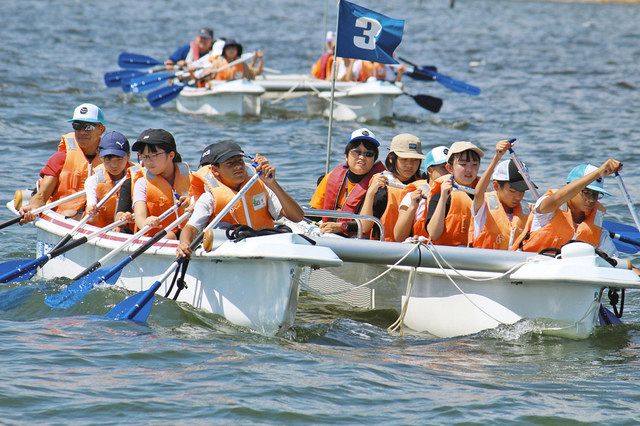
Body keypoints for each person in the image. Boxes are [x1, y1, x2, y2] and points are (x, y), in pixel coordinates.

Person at [176, 141, 304, 258]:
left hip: (265, 249)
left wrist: (272, 183)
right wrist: (184, 243)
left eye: (240, 161)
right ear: (215, 170)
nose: (238, 167)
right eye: (230, 164)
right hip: (232, 253)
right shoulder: (209, 198)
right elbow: (190, 228)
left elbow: (297, 217)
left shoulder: (261, 187)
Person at [512, 160, 622, 255]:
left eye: (596, 194)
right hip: (530, 264)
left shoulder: (597, 229)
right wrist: (598, 172)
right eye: (586, 192)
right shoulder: (549, 209)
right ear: (569, 188)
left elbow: (615, 261)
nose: (592, 199)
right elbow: (557, 199)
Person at [20, 103, 106, 223]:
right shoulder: (60, 158)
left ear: (101, 129)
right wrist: (32, 209)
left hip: (97, 220)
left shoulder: (111, 161)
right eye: (77, 126)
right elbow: (42, 196)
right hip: (62, 218)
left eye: (88, 127)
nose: (82, 132)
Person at [309, 128, 386, 237]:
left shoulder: (380, 187)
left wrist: (341, 226)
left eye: (368, 154)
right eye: (356, 152)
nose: (362, 157)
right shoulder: (330, 178)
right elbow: (314, 214)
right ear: (346, 156)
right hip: (328, 234)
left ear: (374, 160)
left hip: (360, 241)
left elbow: (370, 224)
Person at [359, 133, 425, 241]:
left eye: (415, 160)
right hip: (385, 245)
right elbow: (364, 227)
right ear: (391, 159)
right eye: (404, 159)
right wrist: (370, 193)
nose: (409, 165)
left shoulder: (424, 183)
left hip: (418, 244)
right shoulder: (381, 186)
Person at [419, 141, 484, 246]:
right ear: (449, 168)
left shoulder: (483, 195)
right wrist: (443, 198)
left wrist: (496, 158)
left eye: (474, 164)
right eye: (463, 164)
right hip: (446, 254)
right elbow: (433, 234)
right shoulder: (441, 194)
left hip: (474, 254)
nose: (469, 170)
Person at [130, 129, 192, 239]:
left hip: (188, 233)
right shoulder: (142, 183)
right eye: (144, 156)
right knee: (170, 235)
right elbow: (139, 216)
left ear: (171, 155)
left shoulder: (190, 177)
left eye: (154, 155)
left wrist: (192, 204)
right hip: (159, 236)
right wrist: (145, 222)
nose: (148, 161)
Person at [470, 140, 531, 250]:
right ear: (496, 186)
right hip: (484, 261)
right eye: (512, 191)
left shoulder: (527, 210)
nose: (518, 197)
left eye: (522, 191)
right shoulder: (482, 206)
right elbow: (478, 192)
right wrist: (497, 158)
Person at [394, 145, 450, 242]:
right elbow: (399, 237)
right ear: (430, 170)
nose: (449, 173)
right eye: (444, 168)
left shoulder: (460, 194)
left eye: (451, 167)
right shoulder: (414, 194)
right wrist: (413, 206)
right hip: (420, 248)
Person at [83, 131, 138, 229]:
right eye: (108, 159)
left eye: (119, 159)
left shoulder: (138, 176)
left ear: (128, 156)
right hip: (101, 230)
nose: (114, 165)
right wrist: (92, 212)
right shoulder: (93, 181)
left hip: (128, 230)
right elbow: (91, 216)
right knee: (90, 218)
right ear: (100, 157)